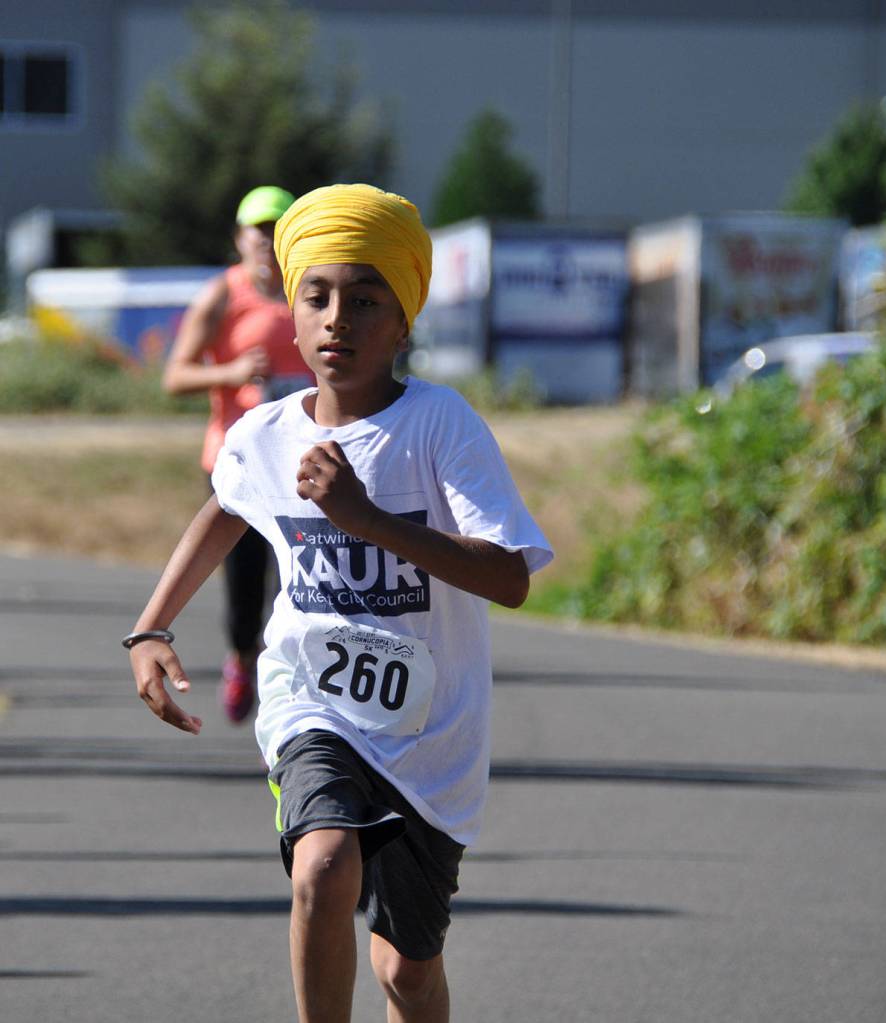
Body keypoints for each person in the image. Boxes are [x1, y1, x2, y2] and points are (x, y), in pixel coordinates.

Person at [126, 182, 553, 1023]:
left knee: (406, 972)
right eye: (316, 297)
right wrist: (151, 625)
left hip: (431, 734)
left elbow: (509, 577)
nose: (337, 320)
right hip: (312, 700)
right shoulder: (267, 432)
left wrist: (363, 518)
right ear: (290, 312)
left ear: (403, 320)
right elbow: (224, 511)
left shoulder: (441, 425)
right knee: (321, 865)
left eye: (365, 300)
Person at [162, 185, 311, 723]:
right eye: (260, 231)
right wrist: (230, 373)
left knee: (299, 579)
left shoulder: (313, 291)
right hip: (239, 462)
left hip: (303, 461)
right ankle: (242, 657)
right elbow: (175, 375)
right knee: (246, 585)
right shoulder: (223, 295)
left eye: (280, 230)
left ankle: (293, 689)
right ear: (241, 238)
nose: (270, 242)